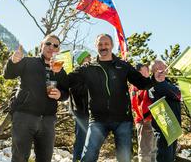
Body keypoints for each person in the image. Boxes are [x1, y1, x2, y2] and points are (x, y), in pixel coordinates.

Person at [65, 34, 165, 162]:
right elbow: (68, 81)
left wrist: (154, 79)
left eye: (106, 44)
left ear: (112, 45)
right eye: (100, 44)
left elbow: (141, 83)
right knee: (88, 155)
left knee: (124, 158)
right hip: (97, 120)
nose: (103, 47)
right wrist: (55, 73)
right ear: (96, 46)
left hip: (122, 120)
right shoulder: (88, 68)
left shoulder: (123, 66)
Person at [4, 34, 69, 162]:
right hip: (24, 117)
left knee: (45, 158)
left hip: (48, 121)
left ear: (58, 50)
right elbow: (8, 75)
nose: (51, 47)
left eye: (55, 45)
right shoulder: (28, 62)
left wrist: (60, 95)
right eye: (48, 44)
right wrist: (13, 62)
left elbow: (66, 92)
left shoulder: (60, 69)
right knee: (19, 158)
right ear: (41, 46)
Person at [149, 60, 181, 162]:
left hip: (172, 127)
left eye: (163, 68)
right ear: (153, 71)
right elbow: (177, 94)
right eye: (158, 69)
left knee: (170, 157)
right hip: (165, 128)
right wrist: (160, 81)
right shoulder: (156, 84)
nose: (162, 70)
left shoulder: (166, 82)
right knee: (165, 157)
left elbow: (178, 94)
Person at [130, 63, 156, 162]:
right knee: (145, 150)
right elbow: (136, 105)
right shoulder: (137, 86)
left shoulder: (146, 84)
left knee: (154, 149)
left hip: (153, 119)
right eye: (145, 71)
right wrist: (145, 117)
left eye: (147, 71)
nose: (147, 73)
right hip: (144, 120)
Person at [70, 50, 91, 162]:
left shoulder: (89, 72)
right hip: (81, 113)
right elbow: (78, 92)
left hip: (91, 113)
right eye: (88, 57)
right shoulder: (76, 73)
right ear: (82, 60)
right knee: (81, 141)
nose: (90, 59)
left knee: (90, 142)